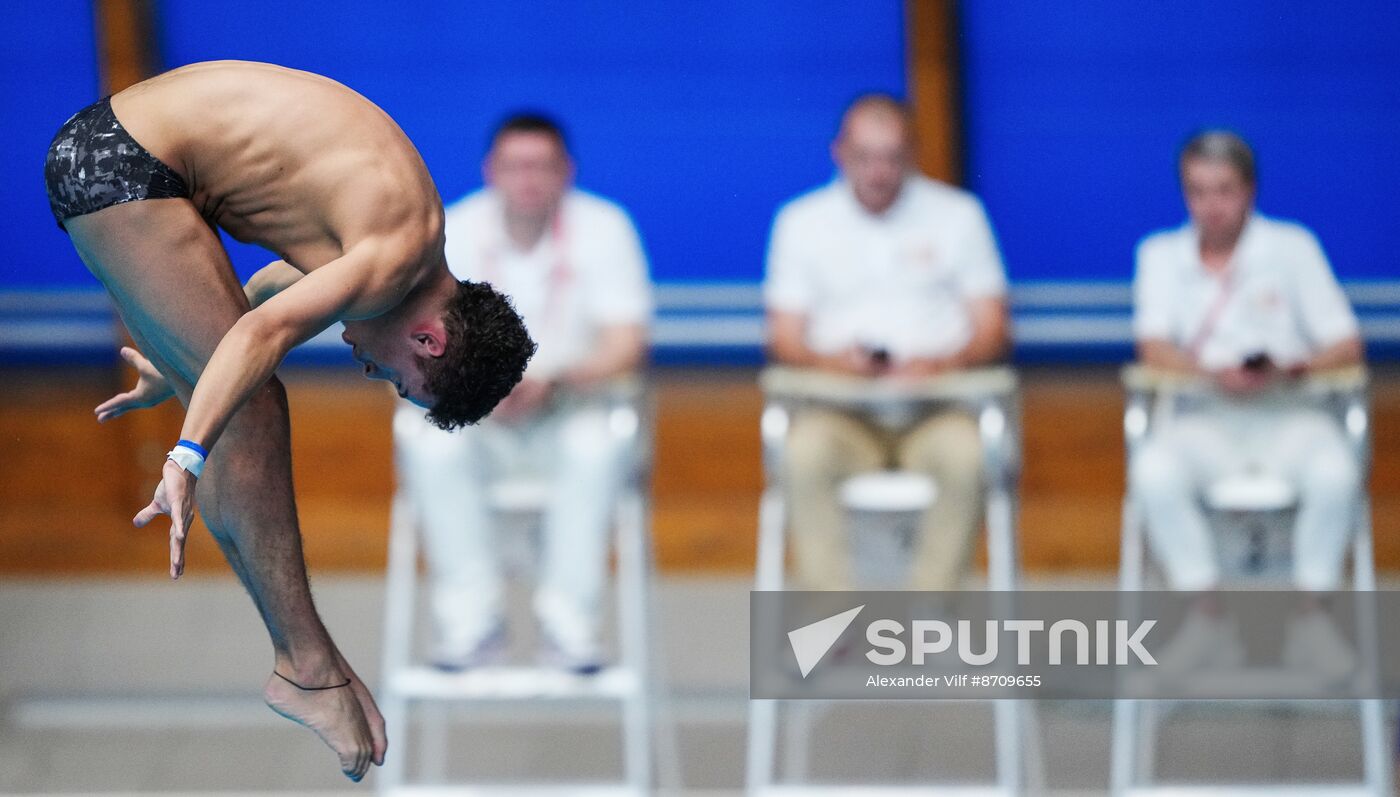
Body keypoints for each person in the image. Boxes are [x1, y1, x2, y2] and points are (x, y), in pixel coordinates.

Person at [43, 61, 535, 781]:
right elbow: (260, 334)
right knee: (253, 403)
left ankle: (309, 663)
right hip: (122, 161)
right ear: (431, 339)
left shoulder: (408, 251)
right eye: (402, 381)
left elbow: (277, 290)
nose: (377, 375)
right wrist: (186, 452)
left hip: (121, 152)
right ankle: (305, 666)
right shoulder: (394, 262)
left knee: (238, 390)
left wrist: (182, 360)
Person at [394, 113, 652, 673]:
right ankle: (471, 624)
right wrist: (484, 384)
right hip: (478, 415)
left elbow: (627, 343)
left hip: (572, 408)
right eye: (516, 166)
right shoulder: (452, 230)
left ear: (567, 172)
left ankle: (570, 626)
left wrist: (553, 380)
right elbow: (415, 342)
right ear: (492, 171)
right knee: (429, 444)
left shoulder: (606, 228)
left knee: (598, 444)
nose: (529, 179)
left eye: (542, 166)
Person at [1129, 130, 1364, 678]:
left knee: (1337, 470)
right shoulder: (1159, 255)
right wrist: (1212, 373)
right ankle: (1207, 618)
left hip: (1289, 415)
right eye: (1198, 191)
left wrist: (1291, 368)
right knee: (1153, 470)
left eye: (1225, 190)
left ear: (1251, 190)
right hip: (1203, 418)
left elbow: (1345, 343)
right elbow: (1153, 347)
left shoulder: (1293, 247)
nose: (1212, 205)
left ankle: (1312, 620)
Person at [763, 94, 1010, 591]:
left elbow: (993, 329)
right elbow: (783, 337)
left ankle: (928, 623)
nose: (878, 172)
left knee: (969, 455)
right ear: (839, 153)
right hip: (839, 414)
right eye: (864, 157)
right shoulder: (801, 222)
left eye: (891, 157)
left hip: (935, 411)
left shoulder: (958, 216)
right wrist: (832, 362)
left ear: (913, 155)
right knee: (801, 454)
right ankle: (832, 628)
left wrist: (944, 363)